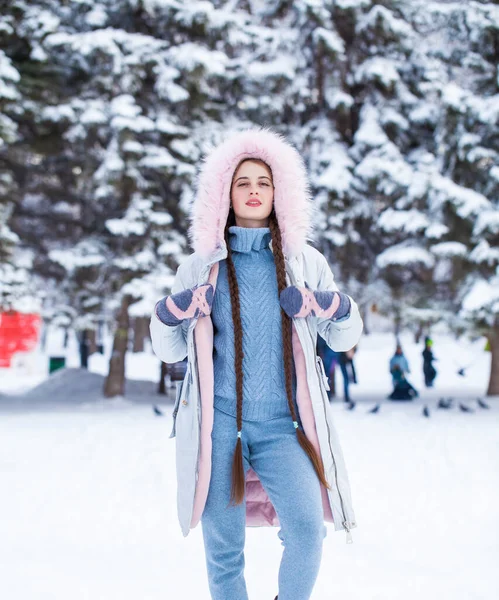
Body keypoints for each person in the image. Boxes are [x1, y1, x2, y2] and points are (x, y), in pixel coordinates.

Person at [150, 129, 363, 600]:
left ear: (278, 192)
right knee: (224, 549)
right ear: (224, 192)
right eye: (242, 181)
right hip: (219, 427)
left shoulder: (305, 263)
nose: (252, 190)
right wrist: (172, 311)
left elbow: (346, 335)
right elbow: (168, 349)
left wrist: (331, 305)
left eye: (263, 182)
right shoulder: (202, 266)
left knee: (308, 531)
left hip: (283, 428)